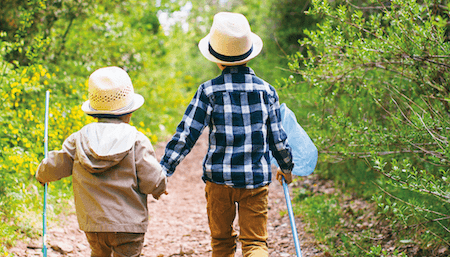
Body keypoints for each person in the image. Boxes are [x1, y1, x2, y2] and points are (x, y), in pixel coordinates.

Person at [159, 12, 294, 256]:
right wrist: (286, 166)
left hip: (218, 181)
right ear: (248, 53)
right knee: (255, 243)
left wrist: (164, 169)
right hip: (255, 180)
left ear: (217, 60)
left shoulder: (208, 91)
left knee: (221, 242)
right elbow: (277, 137)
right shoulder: (267, 91)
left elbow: (187, 133)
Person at [36, 66, 167, 257]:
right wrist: (160, 187)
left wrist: (42, 174)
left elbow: (56, 164)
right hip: (129, 225)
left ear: (93, 112)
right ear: (129, 112)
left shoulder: (79, 139)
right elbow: (152, 179)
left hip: (94, 225)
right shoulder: (137, 140)